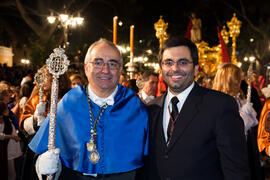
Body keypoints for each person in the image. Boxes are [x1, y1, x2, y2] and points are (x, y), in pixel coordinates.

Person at [29, 38, 148, 180]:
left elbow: (150, 159)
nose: (105, 70)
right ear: (86, 68)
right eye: (98, 63)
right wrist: (42, 164)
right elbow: (42, 151)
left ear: (120, 70)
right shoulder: (69, 102)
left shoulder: (134, 105)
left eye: (112, 64)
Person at [146, 36, 250, 180]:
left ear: (195, 69)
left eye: (183, 62)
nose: (175, 68)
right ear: (161, 68)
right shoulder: (151, 109)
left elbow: (236, 170)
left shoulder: (220, 105)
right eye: (168, 62)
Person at [212, 63, 264, 180]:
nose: (240, 80)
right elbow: (230, 130)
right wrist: (244, 116)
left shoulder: (239, 97)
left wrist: (250, 113)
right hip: (231, 154)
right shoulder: (219, 101)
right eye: (237, 77)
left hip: (246, 147)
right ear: (230, 79)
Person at [19, 65, 70, 180]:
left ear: (56, 77)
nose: (42, 79)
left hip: (62, 148)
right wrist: (35, 118)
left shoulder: (68, 98)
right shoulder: (36, 98)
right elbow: (23, 123)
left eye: (46, 76)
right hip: (38, 148)